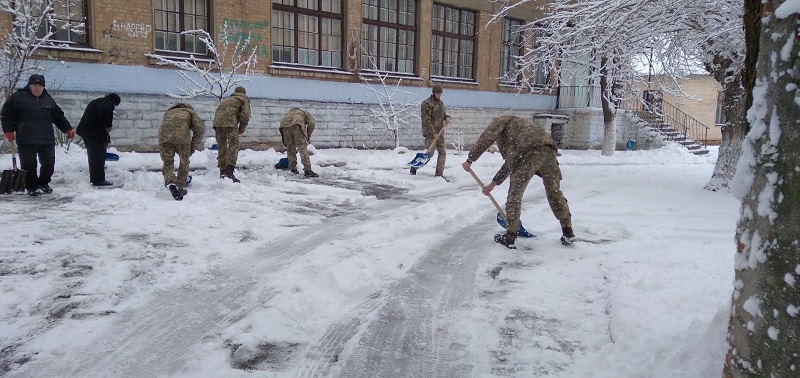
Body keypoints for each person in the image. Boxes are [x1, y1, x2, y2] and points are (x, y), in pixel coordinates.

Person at [461, 115, 576, 249]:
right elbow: (511, 161)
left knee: (515, 194)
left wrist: (470, 159)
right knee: (554, 190)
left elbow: (486, 139)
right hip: (549, 149)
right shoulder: (520, 127)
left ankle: (510, 235)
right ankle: (568, 231)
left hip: (528, 152)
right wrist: (493, 184)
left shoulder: (499, 122)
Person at [1, 74, 75, 196]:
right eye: (35, 85)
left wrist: (67, 129)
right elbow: (6, 114)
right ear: (29, 86)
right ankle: (31, 186)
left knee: (49, 163)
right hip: (26, 138)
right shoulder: (18, 97)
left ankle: (43, 183)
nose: (37, 88)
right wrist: (8, 130)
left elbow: (58, 116)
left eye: (40, 85)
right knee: (29, 164)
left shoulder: (48, 99)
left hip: (46, 138)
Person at [158, 103, 204, 201]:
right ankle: (179, 187)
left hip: (164, 137)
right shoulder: (190, 112)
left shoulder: (168, 113)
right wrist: (193, 146)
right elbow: (199, 129)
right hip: (182, 138)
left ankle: (170, 181)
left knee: (167, 162)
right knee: (184, 161)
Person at [76, 93, 121, 187]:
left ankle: (96, 177)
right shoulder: (107, 105)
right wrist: (108, 130)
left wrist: (106, 137)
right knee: (97, 156)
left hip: (86, 131)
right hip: (93, 134)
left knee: (93, 155)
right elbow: (106, 122)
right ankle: (98, 180)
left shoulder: (98, 101)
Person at [411, 84, 450, 177]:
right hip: (430, 134)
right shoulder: (427, 104)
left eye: (440, 93)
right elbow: (426, 120)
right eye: (438, 93)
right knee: (430, 153)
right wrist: (433, 132)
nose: (439, 95)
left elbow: (443, 115)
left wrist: (447, 117)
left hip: (440, 132)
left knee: (442, 152)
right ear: (434, 93)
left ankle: (439, 174)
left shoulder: (440, 103)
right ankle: (414, 167)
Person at [213, 86, 251, 183]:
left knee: (222, 147)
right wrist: (241, 129)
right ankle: (229, 173)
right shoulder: (243, 100)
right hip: (230, 123)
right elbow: (245, 115)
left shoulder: (227, 99)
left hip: (217, 124)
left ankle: (222, 172)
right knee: (234, 146)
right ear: (244, 93)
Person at [279, 108, 318, 177]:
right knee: (302, 148)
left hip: (284, 124)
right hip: (297, 124)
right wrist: (308, 134)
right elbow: (312, 123)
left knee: (290, 148)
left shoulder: (291, 112)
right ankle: (308, 170)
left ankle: (293, 169)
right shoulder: (306, 114)